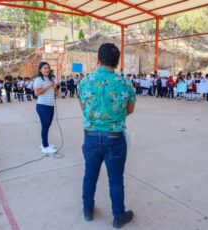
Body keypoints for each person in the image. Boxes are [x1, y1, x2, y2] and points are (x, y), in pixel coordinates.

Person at [77, 43, 136, 228]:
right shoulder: (125, 83)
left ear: (98, 59)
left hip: (91, 136)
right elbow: (130, 110)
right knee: (116, 180)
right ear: (117, 62)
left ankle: (87, 210)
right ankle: (118, 217)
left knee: (89, 176)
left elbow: (84, 109)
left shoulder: (84, 82)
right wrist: (113, 117)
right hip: (115, 138)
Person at [33, 62, 59, 155]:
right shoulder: (38, 79)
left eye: (48, 67)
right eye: (44, 68)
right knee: (45, 126)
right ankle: (45, 146)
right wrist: (48, 86)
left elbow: (54, 89)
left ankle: (44, 143)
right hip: (42, 106)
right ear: (40, 70)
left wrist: (56, 91)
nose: (47, 69)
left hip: (50, 106)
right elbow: (36, 93)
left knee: (47, 126)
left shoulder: (50, 79)